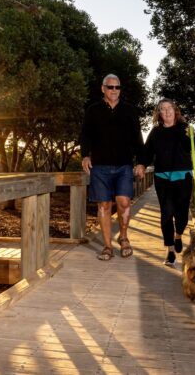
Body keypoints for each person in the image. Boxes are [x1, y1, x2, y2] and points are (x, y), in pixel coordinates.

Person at [80, 74, 146, 261]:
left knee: (124, 201)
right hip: (99, 166)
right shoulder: (93, 110)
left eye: (117, 87)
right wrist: (85, 155)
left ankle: (123, 237)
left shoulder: (129, 111)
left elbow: (137, 138)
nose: (114, 91)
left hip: (124, 165)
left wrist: (141, 162)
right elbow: (85, 135)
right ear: (103, 88)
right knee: (104, 205)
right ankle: (108, 246)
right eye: (110, 87)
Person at [139, 99, 195, 267]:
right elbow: (147, 151)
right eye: (162, 109)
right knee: (166, 214)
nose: (166, 112)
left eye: (169, 108)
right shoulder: (156, 132)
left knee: (181, 214)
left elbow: (193, 147)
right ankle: (171, 250)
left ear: (175, 110)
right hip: (163, 177)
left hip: (183, 177)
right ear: (159, 114)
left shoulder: (185, 128)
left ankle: (178, 234)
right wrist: (142, 164)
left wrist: (182, 131)